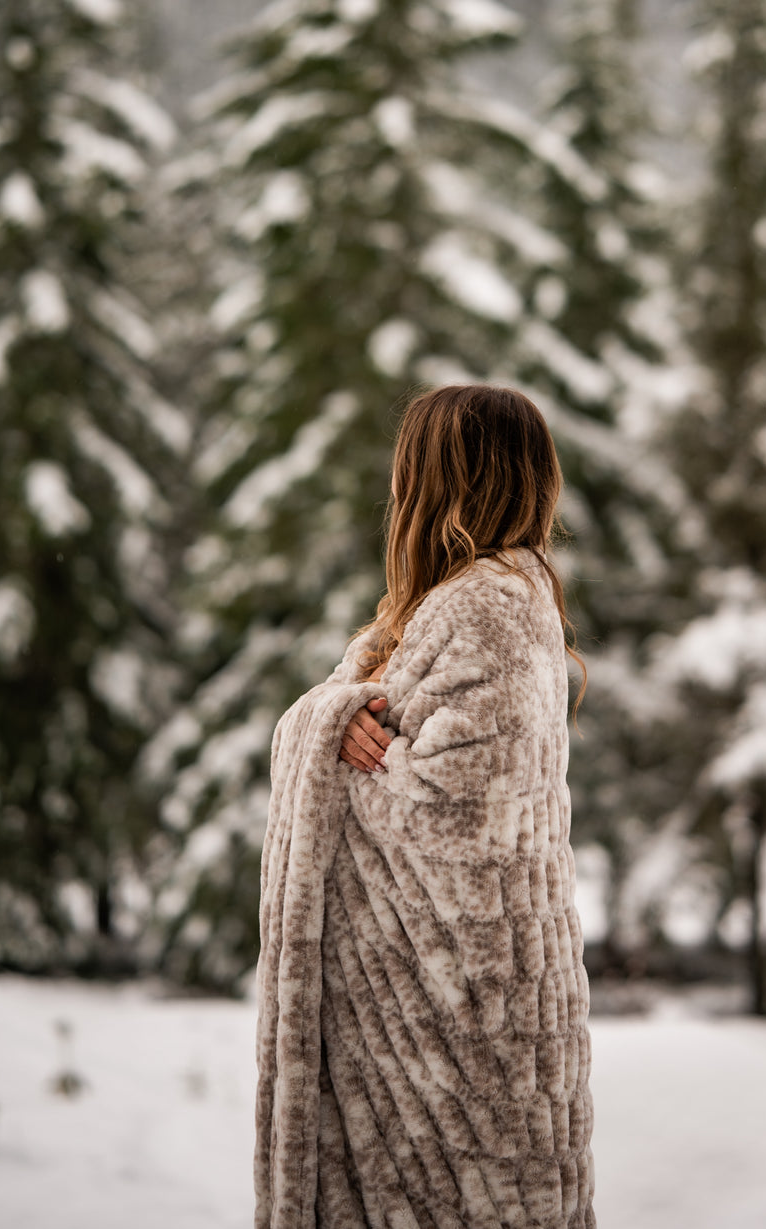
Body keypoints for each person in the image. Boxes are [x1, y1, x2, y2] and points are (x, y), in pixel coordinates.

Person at [254, 383, 595, 1229]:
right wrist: (329, 726)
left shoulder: (487, 607)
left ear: (442, 482)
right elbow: (355, 728)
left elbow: (456, 814)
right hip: (452, 1012)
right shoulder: (460, 609)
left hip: (453, 1016)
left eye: (410, 470)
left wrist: (341, 742)